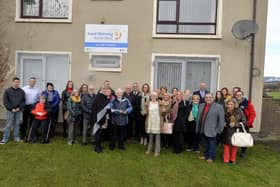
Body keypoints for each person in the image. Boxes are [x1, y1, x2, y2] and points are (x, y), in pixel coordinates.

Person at [196, 93, 224, 163]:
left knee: (212, 144)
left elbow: (221, 120)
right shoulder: (201, 105)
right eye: (207, 97)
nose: (208, 99)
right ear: (205, 98)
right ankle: (205, 155)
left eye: (210, 97)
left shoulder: (219, 107)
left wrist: (218, 130)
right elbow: (199, 117)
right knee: (205, 144)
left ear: (213, 98)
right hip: (202, 128)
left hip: (213, 130)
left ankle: (211, 157)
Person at [1, 77, 25, 144]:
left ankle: (16, 138)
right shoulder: (7, 91)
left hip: (18, 110)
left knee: (17, 124)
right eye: (15, 82)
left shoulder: (21, 91)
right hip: (10, 111)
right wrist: (11, 108)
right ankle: (5, 139)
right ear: (13, 82)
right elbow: (5, 101)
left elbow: (23, 101)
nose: (17, 83)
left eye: (18, 82)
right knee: (8, 125)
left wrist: (19, 108)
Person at [222, 99, 247, 164]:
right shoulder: (224, 111)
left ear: (235, 104)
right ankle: (226, 160)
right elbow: (221, 119)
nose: (229, 106)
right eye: (228, 104)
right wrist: (223, 122)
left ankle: (232, 160)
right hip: (226, 131)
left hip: (236, 131)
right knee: (226, 146)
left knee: (234, 146)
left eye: (231, 104)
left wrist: (236, 124)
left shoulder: (239, 111)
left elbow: (244, 122)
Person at [235, 90, 256, 158]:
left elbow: (253, 114)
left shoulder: (248, 103)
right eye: (237, 95)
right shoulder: (233, 102)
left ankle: (243, 152)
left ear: (242, 95)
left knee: (244, 138)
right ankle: (234, 151)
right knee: (235, 136)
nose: (238, 96)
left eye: (240, 95)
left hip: (245, 123)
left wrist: (248, 122)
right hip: (236, 123)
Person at [92, 86, 111, 153]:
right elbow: (99, 110)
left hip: (102, 118)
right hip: (98, 119)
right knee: (98, 133)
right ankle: (97, 148)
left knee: (100, 134)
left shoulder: (103, 97)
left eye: (106, 89)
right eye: (104, 89)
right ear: (100, 90)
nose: (105, 90)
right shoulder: (99, 97)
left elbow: (106, 108)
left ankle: (98, 145)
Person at [145, 92, 162, 157]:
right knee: (150, 137)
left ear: (157, 97)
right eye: (152, 96)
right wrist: (144, 111)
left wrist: (164, 110)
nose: (153, 97)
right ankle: (149, 149)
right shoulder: (148, 103)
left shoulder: (160, 103)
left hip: (157, 121)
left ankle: (157, 151)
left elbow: (164, 110)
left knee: (157, 137)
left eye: (155, 96)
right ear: (151, 97)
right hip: (150, 121)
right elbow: (146, 111)